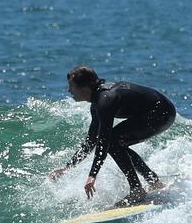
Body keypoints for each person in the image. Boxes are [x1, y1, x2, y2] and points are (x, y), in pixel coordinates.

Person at [50, 66, 176, 206]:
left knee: (113, 141)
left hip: (161, 113)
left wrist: (92, 175)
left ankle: (137, 190)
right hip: (155, 112)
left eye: (71, 86)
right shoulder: (97, 103)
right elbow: (92, 139)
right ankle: (154, 182)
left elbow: (104, 140)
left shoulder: (105, 100)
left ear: (84, 87)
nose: (69, 91)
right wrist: (68, 167)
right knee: (117, 142)